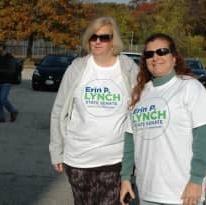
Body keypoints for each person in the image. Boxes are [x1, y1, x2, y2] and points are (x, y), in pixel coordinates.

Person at [120, 33, 206, 205]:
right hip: (146, 193)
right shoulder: (140, 93)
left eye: (161, 51)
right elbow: (130, 139)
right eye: (149, 54)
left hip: (182, 195)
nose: (155, 57)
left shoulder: (189, 87)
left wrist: (195, 180)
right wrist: (125, 177)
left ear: (174, 57)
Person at [49, 16, 139, 205]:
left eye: (104, 37)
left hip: (115, 160)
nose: (98, 41)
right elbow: (59, 110)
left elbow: (140, 108)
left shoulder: (128, 68)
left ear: (113, 40)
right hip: (78, 159)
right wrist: (56, 150)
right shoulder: (77, 68)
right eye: (93, 37)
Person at [0, 43, 19, 123]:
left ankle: (13, 111)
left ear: (5, 49)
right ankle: (1, 117)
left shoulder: (10, 58)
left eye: (1, 51)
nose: (0, 52)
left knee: (3, 99)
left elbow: (12, 71)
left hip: (6, 81)